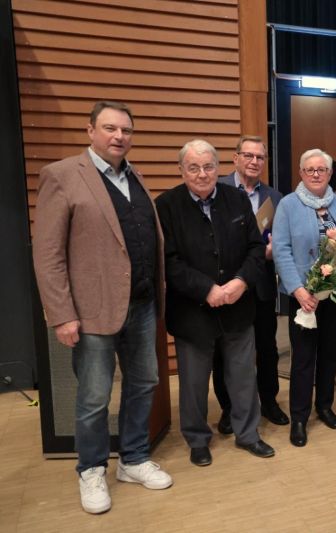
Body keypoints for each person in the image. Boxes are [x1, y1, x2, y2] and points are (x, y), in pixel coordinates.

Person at [32, 101, 172, 514]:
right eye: (110, 128)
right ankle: (91, 469)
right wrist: (62, 314)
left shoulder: (136, 176)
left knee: (144, 383)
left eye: (126, 130)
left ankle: (133, 459)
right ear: (90, 130)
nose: (119, 136)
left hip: (141, 305)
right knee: (94, 397)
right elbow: (48, 254)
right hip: (91, 311)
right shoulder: (62, 175)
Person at [156, 139, 274, 467]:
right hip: (192, 312)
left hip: (238, 306)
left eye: (208, 166)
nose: (202, 174)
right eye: (193, 167)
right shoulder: (166, 205)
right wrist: (207, 289)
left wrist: (241, 281)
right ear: (181, 170)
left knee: (243, 377)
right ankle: (197, 440)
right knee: (193, 383)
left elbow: (256, 248)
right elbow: (168, 261)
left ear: (218, 168)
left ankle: (248, 434)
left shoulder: (237, 199)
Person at [272, 148, 336, 447]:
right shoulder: (287, 205)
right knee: (303, 357)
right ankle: (299, 417)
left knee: (330, 352)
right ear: (301, 173)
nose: (316, 174)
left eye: (322, 169)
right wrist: (298, 289)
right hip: (303, 295)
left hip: (334, 294)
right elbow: (281, 249)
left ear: (330, 173)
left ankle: (325, 405)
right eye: (310, 169)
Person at [212, 135, 288, 435]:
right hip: (227, 285)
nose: (254, 161)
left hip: (262, 285)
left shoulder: (274, 197)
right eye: (248, 155)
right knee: (224, 351)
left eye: (260, 157)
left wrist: (273, 250)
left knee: (267, 347)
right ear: (236, 158)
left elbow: (280, 237)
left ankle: (269, 401)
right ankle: (229, 408)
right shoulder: (217, 189)